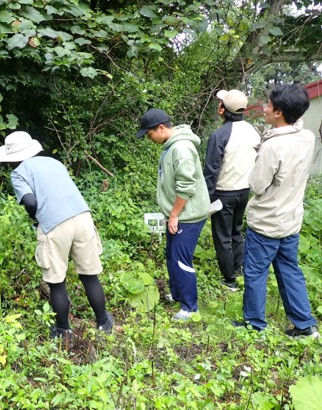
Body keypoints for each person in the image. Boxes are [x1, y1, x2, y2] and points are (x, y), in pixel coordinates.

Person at [0, 131, 113, 339]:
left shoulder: (18, 172)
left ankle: (62, 330)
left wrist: (35, 217)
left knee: (56, 281)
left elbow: (30, 201)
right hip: (82, 217)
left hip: (54, 226)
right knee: (89, 275)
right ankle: (103, 322)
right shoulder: (54, 162)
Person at [236, 84, 319, 338]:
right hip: (290, 219)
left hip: (267, 221)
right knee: (289, 269)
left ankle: (254, 324)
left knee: (255, 272)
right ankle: (305, 325)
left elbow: (258, 185)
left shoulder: (273, 146)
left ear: (279, 113)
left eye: (269, 105)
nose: (265, 108)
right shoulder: (306, 137)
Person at [136, 108, 210, 321]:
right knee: (172, 256)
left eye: (149, 134)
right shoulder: (171, 147)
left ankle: (190, 307)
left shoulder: (181, 148)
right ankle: (177, 294)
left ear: (161, 128)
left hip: (188, 215)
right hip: (178, 214)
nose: (150, 139)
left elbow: (186, 185)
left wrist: (175, 214)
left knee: (181, 260)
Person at [203, 90, 260, 291]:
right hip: (244, 191)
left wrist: (206, 199)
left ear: (222, 110)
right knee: (236, 232)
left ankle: (229, 280)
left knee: (222, 236)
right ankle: (239, 270)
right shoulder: (253, 131)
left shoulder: (220, 135)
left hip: (223, 193)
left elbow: (211, 170)